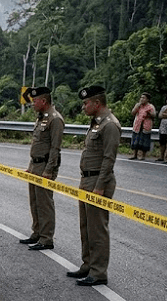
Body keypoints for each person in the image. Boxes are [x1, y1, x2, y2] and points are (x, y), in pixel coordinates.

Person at [69, 85, 120, 286]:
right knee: (86, 226)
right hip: (87, 179)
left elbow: (109, 159)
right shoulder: (96, 123)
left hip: (99, 182)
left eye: (86, 103)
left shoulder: (110, 125)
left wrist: (99, 186)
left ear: (97, 103)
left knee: (97, 228)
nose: (83, 107)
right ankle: (87, 264)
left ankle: (99, 272)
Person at [17, 87, 64, 251]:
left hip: (45, 166)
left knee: (44, 203)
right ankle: (37, 232)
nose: (32, 103)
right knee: (34, 201)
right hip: (35, 165)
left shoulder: (55, 119)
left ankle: (46, 238)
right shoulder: (41, 117)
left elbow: (55, 148)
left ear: (43, 101)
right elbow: (37, 144)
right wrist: (31, 167)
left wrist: (49, 170)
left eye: (35, 100)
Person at [128, 93, 156, 160]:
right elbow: (133, 113)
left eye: (144, 98)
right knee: (136, 139)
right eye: (141, 97)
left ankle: (143, 155)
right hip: (138, 124)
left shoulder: (150, 106)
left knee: (144, 140)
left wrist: (149, 113)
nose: (142, 99)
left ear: (147, 100)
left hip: (145, 125)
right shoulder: (138, 105)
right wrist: (137, 106)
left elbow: (154, 115)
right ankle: (134, 154)